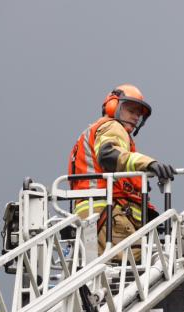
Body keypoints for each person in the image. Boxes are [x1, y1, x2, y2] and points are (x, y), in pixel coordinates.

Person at [68, 84, 176, 261]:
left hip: (98, 220)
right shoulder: (112, 126)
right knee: (163, 259)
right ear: (113, 106)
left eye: (138, 114)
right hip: (110, 220)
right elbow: (108, 155)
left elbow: (123, 183)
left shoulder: (98, 131)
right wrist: (150, 164)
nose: (135, 117)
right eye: (131, 110)